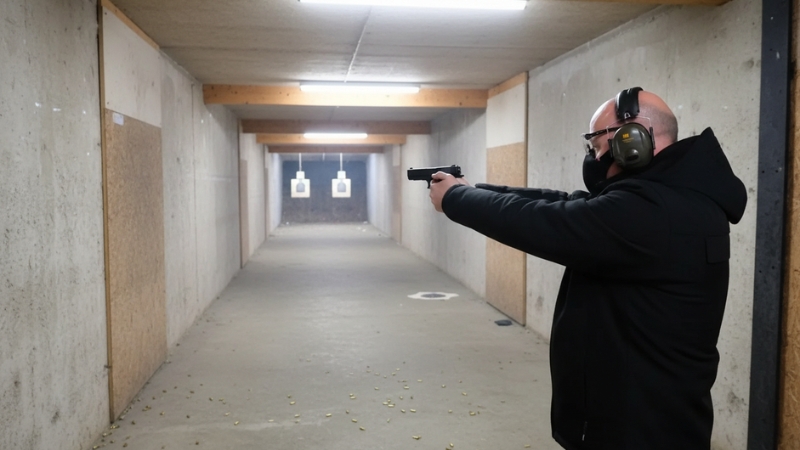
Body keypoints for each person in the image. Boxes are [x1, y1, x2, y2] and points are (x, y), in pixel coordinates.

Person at [428, 88, 747, 450]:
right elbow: (566, 204)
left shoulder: (654, 212)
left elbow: (549, 222)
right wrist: (475, 189)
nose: (594, 158)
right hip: (644, 412)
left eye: (597, 144)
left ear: (632, 138)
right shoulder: (670, 197)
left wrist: (457, 200)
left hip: (639, 427)